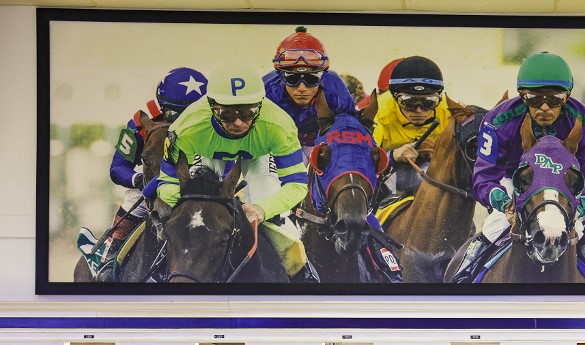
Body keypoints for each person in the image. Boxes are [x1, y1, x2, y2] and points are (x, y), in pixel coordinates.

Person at [451, 51, 585, 281]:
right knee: (493, 225)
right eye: (534, 100)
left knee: (582, 232)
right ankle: (463, 276)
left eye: (554, 99)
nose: (544, 108)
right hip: (516, 182)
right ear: (522, 97)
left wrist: (580, 206)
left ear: (566, 97)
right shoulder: (498, 119)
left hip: (565, 188)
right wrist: (505, 204)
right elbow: (484, 175)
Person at [155, 65, 319, 283]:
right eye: (227, 114)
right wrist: (193, 205)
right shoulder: (185, 127)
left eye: (248, 113)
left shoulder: (279, 125)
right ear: (212, 107)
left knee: (270, 208)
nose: (239, 122)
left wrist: (263, 209)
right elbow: (166, 181)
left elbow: (297, 184)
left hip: (259, 155)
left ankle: (305, 277)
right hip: (206, 153)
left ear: (260, 107)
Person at [83, 68, 208, 280]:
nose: (182, 122)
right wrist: (139, 180)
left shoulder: (213, 123)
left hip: (194, 179)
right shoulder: (141, 122)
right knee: (134, 198)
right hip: (153, 181)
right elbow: (117, 168)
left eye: (191, 115)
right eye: (175, 114)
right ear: (161, 106)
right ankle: (110, 257)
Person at [263, 26, 357, 158]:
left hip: (323, 143)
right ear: (280, 77)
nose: (301, 87)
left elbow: (349, 125)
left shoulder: (334, 87)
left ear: (323, 76)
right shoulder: (267, 89)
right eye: (292, 78)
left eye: (311, 78)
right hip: (280, 144)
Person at [372, 56, 452, 196]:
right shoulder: (379, 111)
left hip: (426, 168)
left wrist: (440, 153)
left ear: (439, 98)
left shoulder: (447, 110)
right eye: (409, 102)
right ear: (395, 98)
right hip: (388, 171)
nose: (419, 110)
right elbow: (364, 159)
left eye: (429, 102)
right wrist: (392, 155)